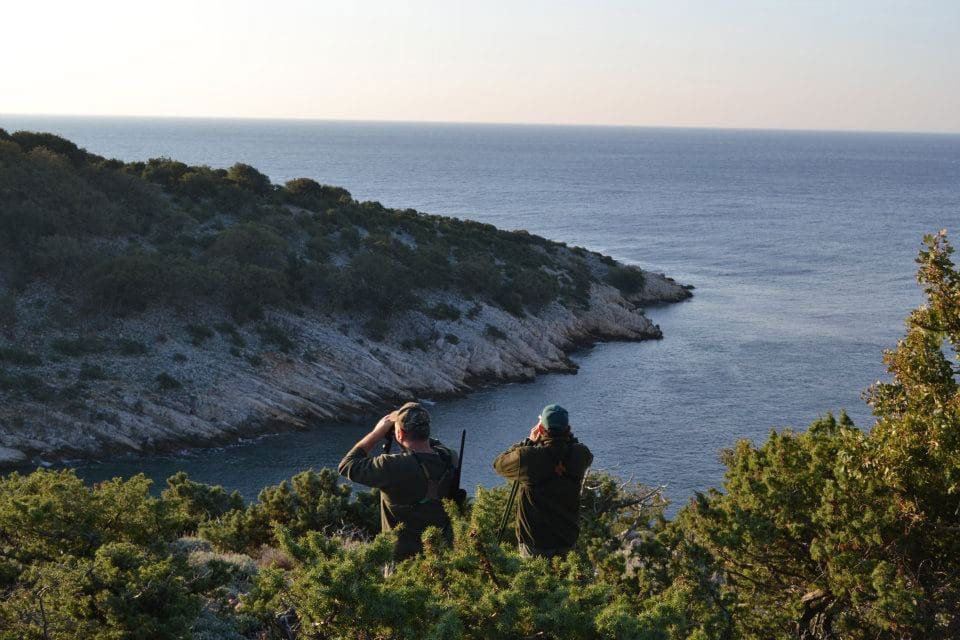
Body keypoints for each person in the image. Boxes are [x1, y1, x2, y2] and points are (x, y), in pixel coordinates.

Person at [338, 401, 459, 560]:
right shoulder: (449, 457)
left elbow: (347, 465)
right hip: (440, 555)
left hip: (402, 562)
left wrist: (377, 433)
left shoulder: (393, 466)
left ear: (400, 434)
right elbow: (431, 445)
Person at [493, 404, 593, 558]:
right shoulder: (580, 455)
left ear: (540, 430)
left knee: (536, 581)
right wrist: (568, 437)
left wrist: (529, 441)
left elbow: (499, 464)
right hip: (567, 539)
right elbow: (580, 449)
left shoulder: (528, 458)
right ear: (568, 429)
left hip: (535, 542)